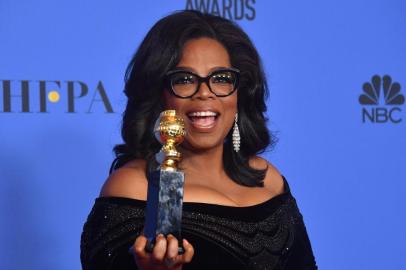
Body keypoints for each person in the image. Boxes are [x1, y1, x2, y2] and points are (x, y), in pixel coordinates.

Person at [80, 10, 317, 270]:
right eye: (184, 80)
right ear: (159, 96)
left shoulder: (268, 178)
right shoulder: (133, 188)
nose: (205, 93)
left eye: (221, 79)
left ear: (239, 94)